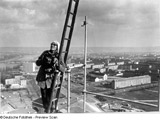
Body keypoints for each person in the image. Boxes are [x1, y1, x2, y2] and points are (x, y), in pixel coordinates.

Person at [35, 41, 65, 112]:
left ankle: (52, 110)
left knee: (50, 96)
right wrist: (42, 60)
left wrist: (57, 63)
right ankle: (46, 110)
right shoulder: (45, 53)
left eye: (55, 45)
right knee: (44, 96)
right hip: (43, 78)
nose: (52, 45)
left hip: (52, 79)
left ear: (57, 47)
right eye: (52, 44)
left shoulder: (58, 55)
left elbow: (63, 68)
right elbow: (37, 63)